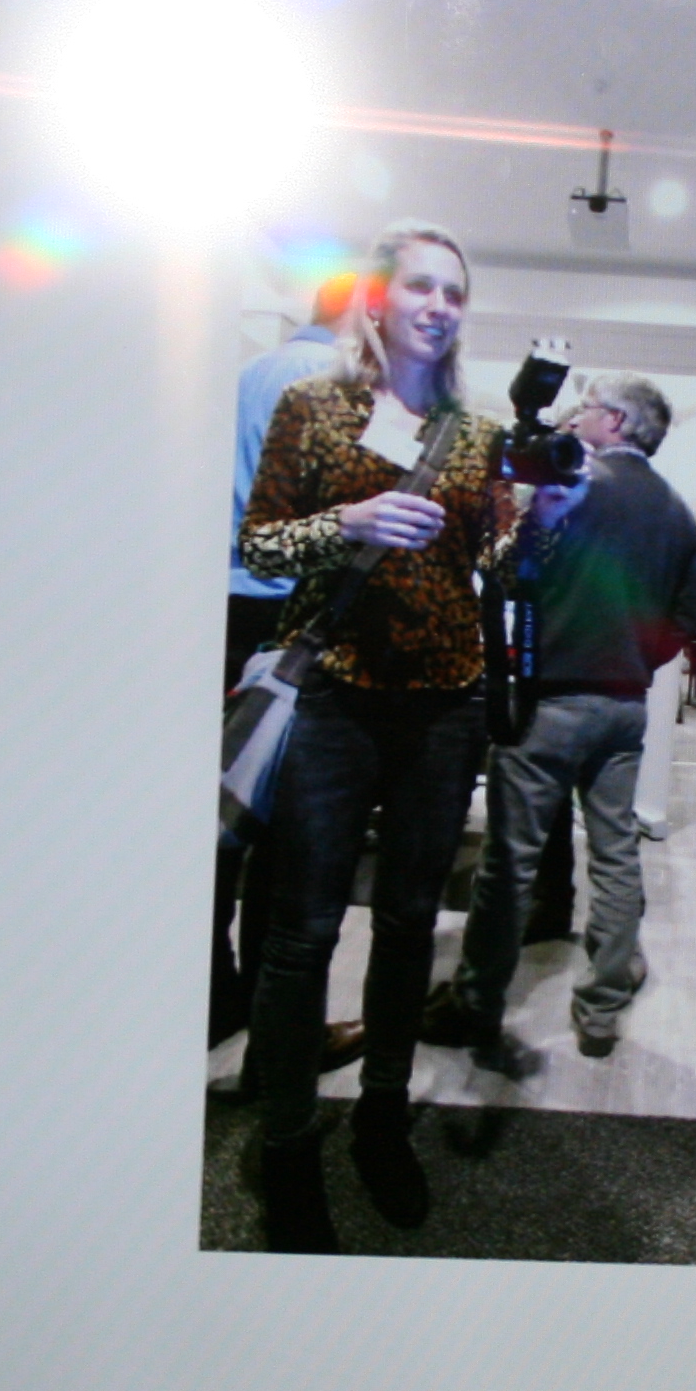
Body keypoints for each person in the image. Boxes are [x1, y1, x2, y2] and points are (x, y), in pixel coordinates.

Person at [233, 224, 503, 1245]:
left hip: (446, 702)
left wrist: (541, 521)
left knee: (407, 924)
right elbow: (260, 543)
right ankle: (289, 1141)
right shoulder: (313, 404)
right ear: (379, 297)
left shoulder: (474, 432)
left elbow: (489, 558)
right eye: (421, 286)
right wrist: (348, 522)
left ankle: (382, 1116)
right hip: (337, 694)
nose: (439, 305)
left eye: (455, 292)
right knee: (301, 932)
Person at [419, 373, 696, 1065]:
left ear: (617, 421)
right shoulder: (676, 511)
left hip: (549, 701)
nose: (575, 418)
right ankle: (603, 1006)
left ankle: (477, 1003)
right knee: (616, 854)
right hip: (624, 708)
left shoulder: (570, 485)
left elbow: (510, 573)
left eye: (587, 407)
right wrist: (633, 657)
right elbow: (685, 618)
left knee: (509, 862)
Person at [215, 281, 348, 1048]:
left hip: (221, 608)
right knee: (291, 832)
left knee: (218, 814)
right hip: (293, 619)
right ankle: (279, 1032)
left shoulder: (245, 375)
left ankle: (212, 1002)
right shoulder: (334, 388)